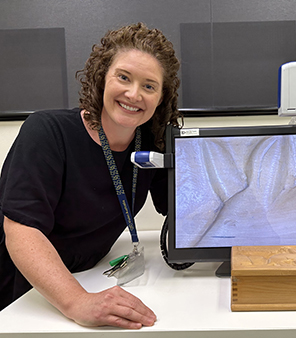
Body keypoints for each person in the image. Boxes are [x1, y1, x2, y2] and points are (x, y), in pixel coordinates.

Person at [0, 22, 182, 329]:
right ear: (102, 78)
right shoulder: (47, 132)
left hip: (87, 274)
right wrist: (77, 301)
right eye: (123, 77)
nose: (134, 93)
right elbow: (21, 230)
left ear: (161, 98)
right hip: (21, 291)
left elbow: (179, 210)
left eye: (149, 86)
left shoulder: (152, 143)